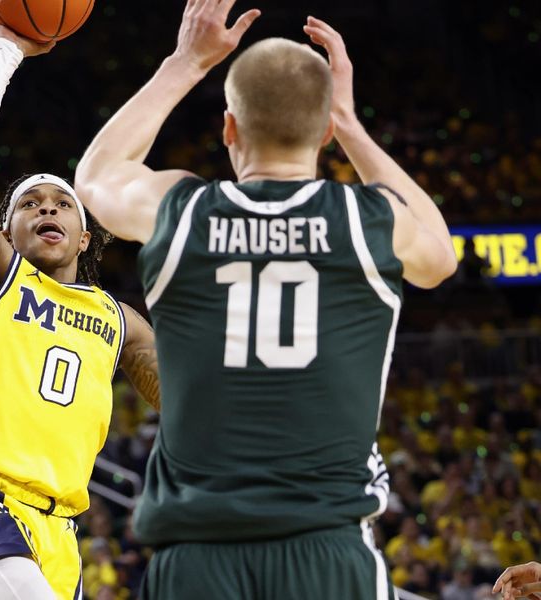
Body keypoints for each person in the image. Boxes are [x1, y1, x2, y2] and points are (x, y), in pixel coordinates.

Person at [75, 0, 458, 598]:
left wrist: (185, 62)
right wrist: (353, 125)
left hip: (197, 560)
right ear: (325, 132)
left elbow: (95, 176)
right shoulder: (369, 221)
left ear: (229, 128)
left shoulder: (184, 210)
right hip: (329, 555)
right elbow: (441, 254)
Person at [0, 10, 160, 600]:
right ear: (5, 227)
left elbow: (191, 397)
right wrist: (7, 50)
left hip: (62, 535)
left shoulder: (119, 321)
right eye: (32, 204)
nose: (48, 210)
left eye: (62, 204)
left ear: (84, 237)